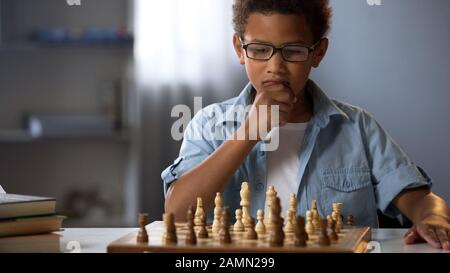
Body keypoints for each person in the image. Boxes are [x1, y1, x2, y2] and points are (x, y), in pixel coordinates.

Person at [161, 0, 449, 249]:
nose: (276, 66)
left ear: (318, 53)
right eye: (260, 50)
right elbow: (176, 214)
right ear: (239, 48)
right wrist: (248, 133)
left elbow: (421, 198)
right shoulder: (209, 123)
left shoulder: (358, 127)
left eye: (294, 51)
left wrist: (432, 216)